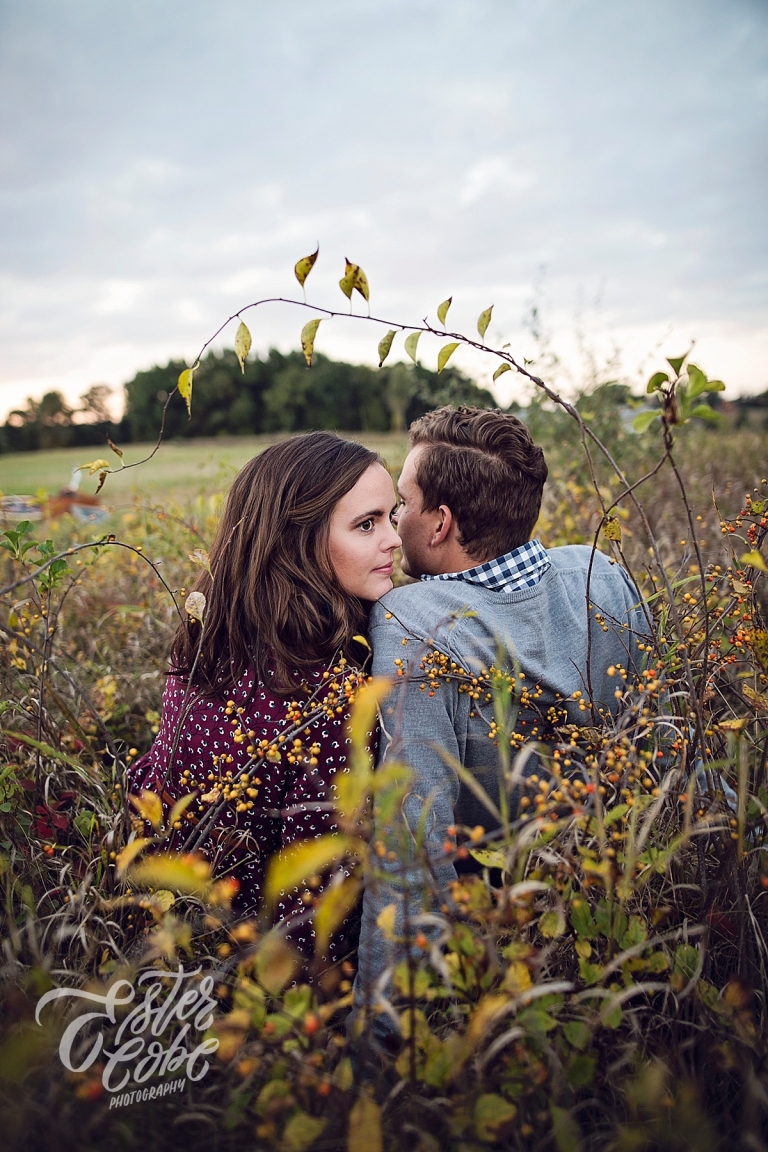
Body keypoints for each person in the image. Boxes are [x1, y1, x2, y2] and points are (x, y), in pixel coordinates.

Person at [354, 405, 648, 1019]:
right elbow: (664, 747)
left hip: (497, 933)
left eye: (402, 504)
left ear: (440, 523)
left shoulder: (415, 621)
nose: (395, 520)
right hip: (621, 912)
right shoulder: (604, 574)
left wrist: (386, 1035)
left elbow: (413, 833)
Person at [129, 431, 400, 970]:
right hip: (258, 959)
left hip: (169, 911)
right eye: (366, 524)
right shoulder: (330, 693)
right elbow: (313, 889)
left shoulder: (212, 639)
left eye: (393, 516)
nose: (393, 539)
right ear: (298, 540)